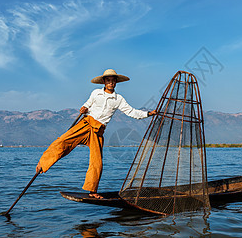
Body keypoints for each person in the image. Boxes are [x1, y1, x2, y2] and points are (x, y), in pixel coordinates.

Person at [36, 69, 156, 199]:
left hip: (98, 131)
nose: (111, 83)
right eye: (108, 80)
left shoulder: (118, 99)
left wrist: (148, 114)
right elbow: (86, 106)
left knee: (97, 161)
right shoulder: (96, 93)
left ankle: (92, 190)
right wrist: (83, 109)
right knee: (63, 141)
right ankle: (43, 164)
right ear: (104, 82)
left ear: (116, 82)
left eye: (113, 81)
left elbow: (132, 112)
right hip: (85, 124)